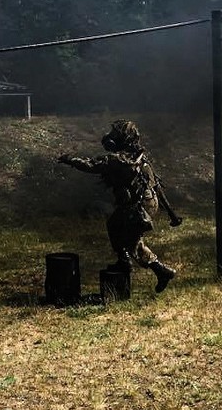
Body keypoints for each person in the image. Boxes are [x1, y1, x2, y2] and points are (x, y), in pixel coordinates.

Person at [58, 120, 182, 293]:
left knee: (126, 237)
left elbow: (91, 165)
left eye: (115, 134)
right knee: (119, 229)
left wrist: (70, 160)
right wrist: (171, 214)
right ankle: (136, 263)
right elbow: (157, 187)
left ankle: (155, 269)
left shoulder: (117, 160)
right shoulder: (140, 157)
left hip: (136, 207)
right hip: (147, 203)